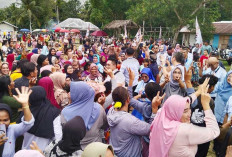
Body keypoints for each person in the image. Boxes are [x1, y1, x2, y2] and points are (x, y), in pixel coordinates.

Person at [149, 79, 220, 157]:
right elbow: (214, 131)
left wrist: (198, 92)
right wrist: (206, 105)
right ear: (175, 112)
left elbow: (184, 102)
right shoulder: (183, 130)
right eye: (185, 111)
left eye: (189, 109)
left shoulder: (161, 115)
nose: (189, 113)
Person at [59, 82, 108, 149]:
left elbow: (64, 132)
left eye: (72, 92)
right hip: (95, 149)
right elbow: (104, 125)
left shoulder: (65, 112)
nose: (69, 94)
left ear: (77, 95)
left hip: (75, 150)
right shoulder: (99, 108)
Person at [19, 86, 60, 151]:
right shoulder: (53, 111)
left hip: (26, 149)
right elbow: (58, 135)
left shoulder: (27, 111)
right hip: (43, 150)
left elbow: (20, 130)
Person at [0, 86, 35, 156]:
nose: (1, 123)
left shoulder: (11, 130)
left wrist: (25, 105)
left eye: (5, 120)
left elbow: (28, 123)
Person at [191, 74, 219, 157]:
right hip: (204, 133)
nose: (213, 88)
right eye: (213, 86)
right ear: (210, 87)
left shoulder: (193, 96)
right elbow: (210, 116)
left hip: (191, 131)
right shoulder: (209, 101)